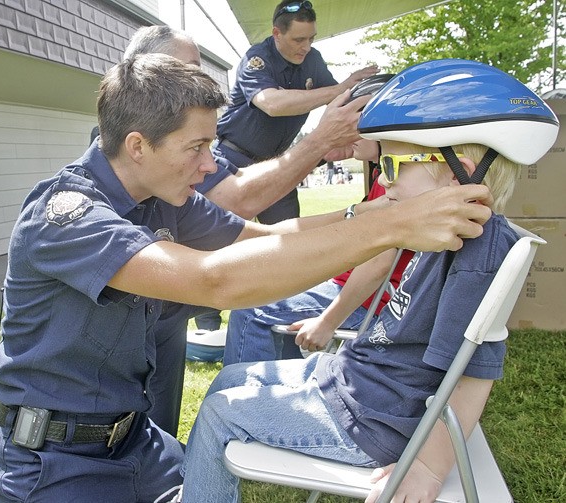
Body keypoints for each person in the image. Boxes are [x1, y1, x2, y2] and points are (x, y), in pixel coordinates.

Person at [180, 59, 559, 503]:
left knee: (220, 412)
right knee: (231, 380)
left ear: (463, 171)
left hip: (374, 420)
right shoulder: (445, 235)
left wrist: (425, 467)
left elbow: (472, 377)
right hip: (354, 381)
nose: (383, 180)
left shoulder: (478, 252)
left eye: (395, 167)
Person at [114, 25, 380, 435]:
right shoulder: (84, 207)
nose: (208, 164)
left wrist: (363, 216)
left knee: (160, 440)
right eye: (197, 150)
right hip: (70, 448)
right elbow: (219, 275)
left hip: (161, 328)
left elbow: (254, 235)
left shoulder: (169, 189)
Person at [224, 139, 415, 365]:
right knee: (264, 293)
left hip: (372, 300)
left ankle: (245, 395)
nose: (352, 134)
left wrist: (327, 322)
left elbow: (378, 265)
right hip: (354, 287)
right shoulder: (384, 176)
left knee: (250, 309)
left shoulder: (394, 181)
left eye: (362, 128)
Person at [214, 1, 378, 225]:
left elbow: (339, 99)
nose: (307, 47)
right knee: (221, 237)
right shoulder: (258, 58)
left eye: (311, 38)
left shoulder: (313, 60)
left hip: (280, 163)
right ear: (276, 33)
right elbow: (271, 103)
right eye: (299, 39)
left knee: (288, 235)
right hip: (234, 160)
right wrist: (341, 88)